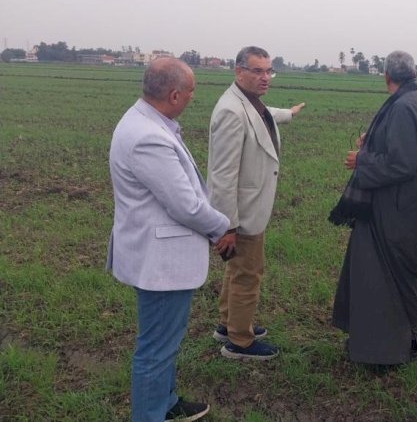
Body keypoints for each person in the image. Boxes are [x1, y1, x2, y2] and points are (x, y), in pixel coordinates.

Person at [107, 57, 230, 422]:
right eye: (191, 91)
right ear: (175, 95)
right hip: (160, 264)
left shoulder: (146, 121)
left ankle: (166, 402)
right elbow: (185, 205)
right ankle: (150, 414)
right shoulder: (148, 136)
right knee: (156, 349)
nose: (193, 97)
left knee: (165, 341)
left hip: (157, 256)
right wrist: (223, 227)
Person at [331, 50, 417, 366]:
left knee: (383, 277)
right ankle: (402, 340)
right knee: (398, 273)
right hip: (411, 204)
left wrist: (362, 159)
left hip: (394, 209)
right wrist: (373, 141)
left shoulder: (404, 106)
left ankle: (391, 349)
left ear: (386, 76)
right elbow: (410, 146)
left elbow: (402, 163)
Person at [207, 46, 305, 360]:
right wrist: (228, 226)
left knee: (237, 269)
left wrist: (289, 113)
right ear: (239, 72)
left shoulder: (248, 102)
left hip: (248, 210)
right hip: (242, 213)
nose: (265, 77)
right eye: (257, 71)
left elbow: (265, 115)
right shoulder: (231, 111)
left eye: (268, 71)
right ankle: (240, 341)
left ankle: (228, 324)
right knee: (248, 274)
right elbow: (222, 175)